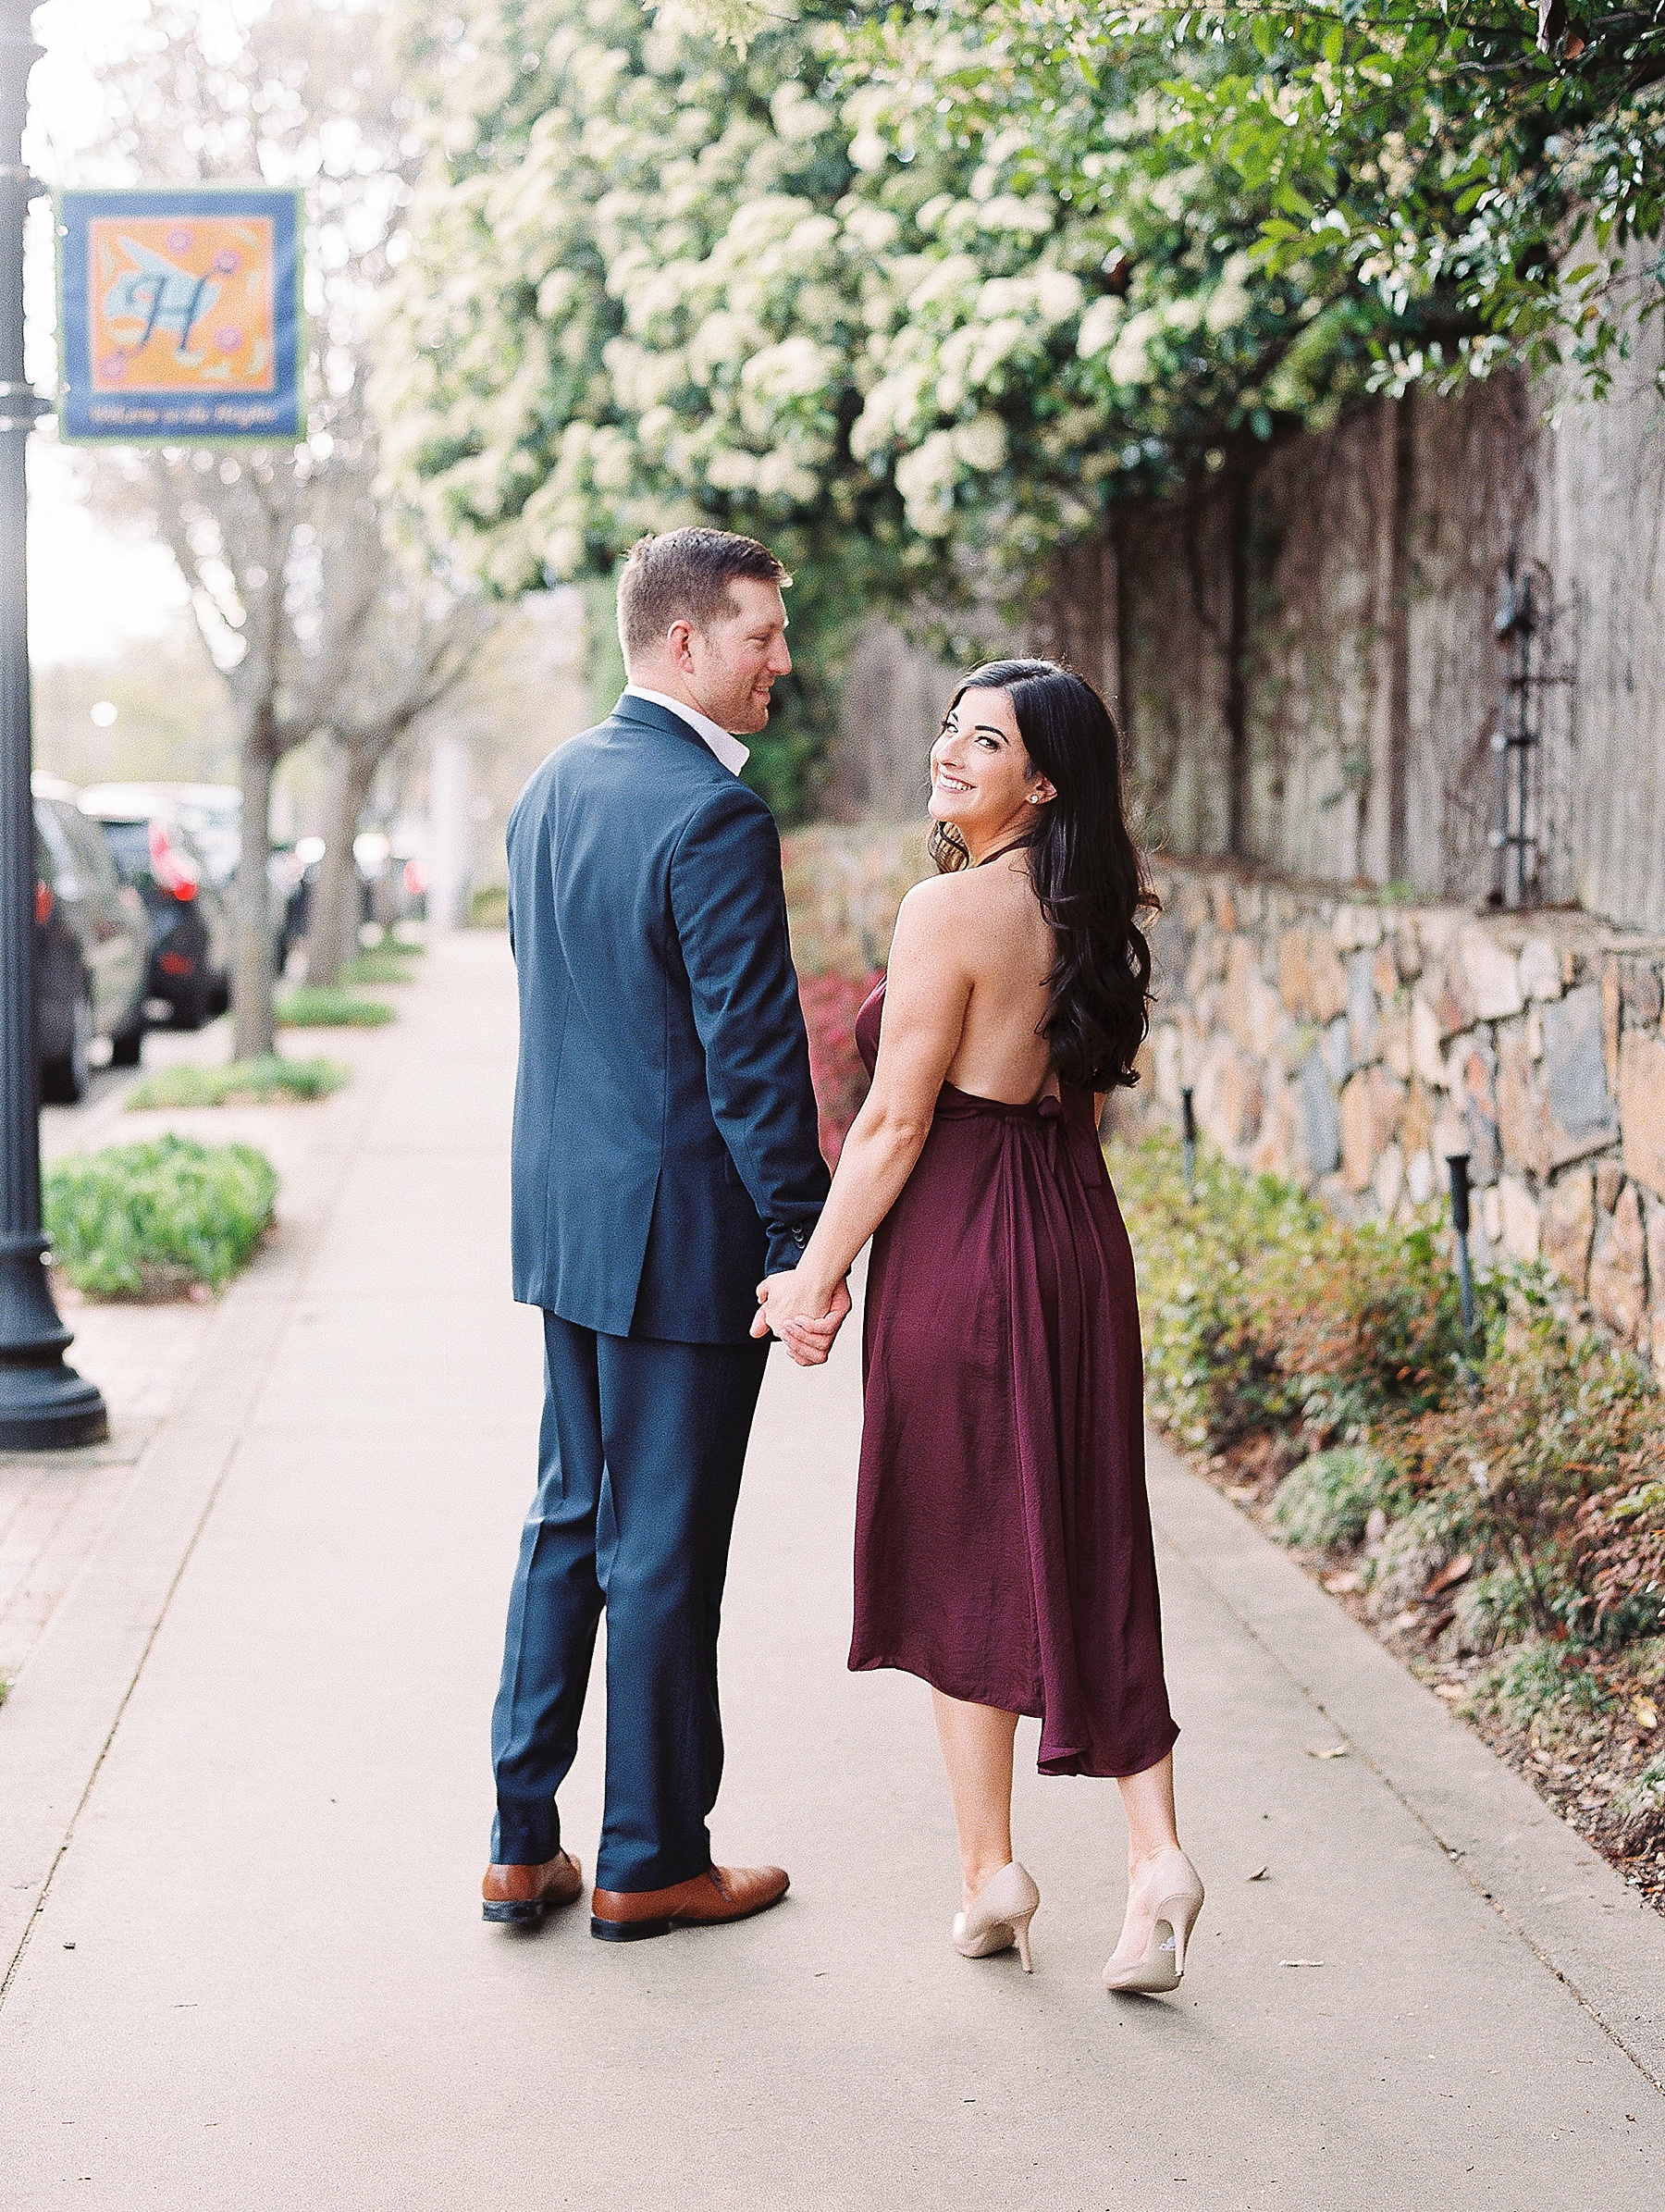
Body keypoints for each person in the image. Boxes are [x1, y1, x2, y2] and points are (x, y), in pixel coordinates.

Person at [754, 660, 1202, 1994]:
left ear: (1043, 779)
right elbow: (1079, 1104)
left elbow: (894, 1122)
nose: (950, 751)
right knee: (1092, 1528)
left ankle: (991, 1873)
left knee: (960, 1541)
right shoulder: (1088, 911)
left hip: (966, 1243)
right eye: (950, 728)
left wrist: (812, 1281)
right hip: (1074, 1232)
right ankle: (1154, 1857)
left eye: (985, 739)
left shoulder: (947, 907)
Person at [484, 527, 847, 1942]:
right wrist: (802, 1242)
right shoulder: (711, 816)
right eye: (762, 633)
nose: (783, 660)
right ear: (686, 644)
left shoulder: (550, 790)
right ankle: (651, 1857)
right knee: (665, 1551)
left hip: (568, 1228)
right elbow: (751, 1062)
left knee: (570, 1521)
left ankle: (523, 1842)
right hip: (681, 1244)